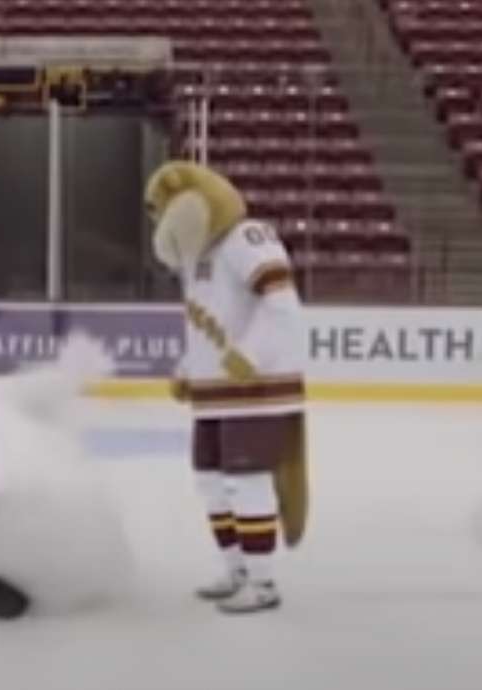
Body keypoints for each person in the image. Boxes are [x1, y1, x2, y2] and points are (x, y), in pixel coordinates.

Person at [143, 160, 310, 614]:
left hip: (257, 390)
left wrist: (250, 356)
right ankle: (235, 568)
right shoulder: (197, 255)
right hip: (213, 394)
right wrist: (185, 369)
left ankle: (263, 581)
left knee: (246, 480)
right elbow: (203, 327)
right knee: (211, 481)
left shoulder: (247, 238)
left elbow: (282, 304)